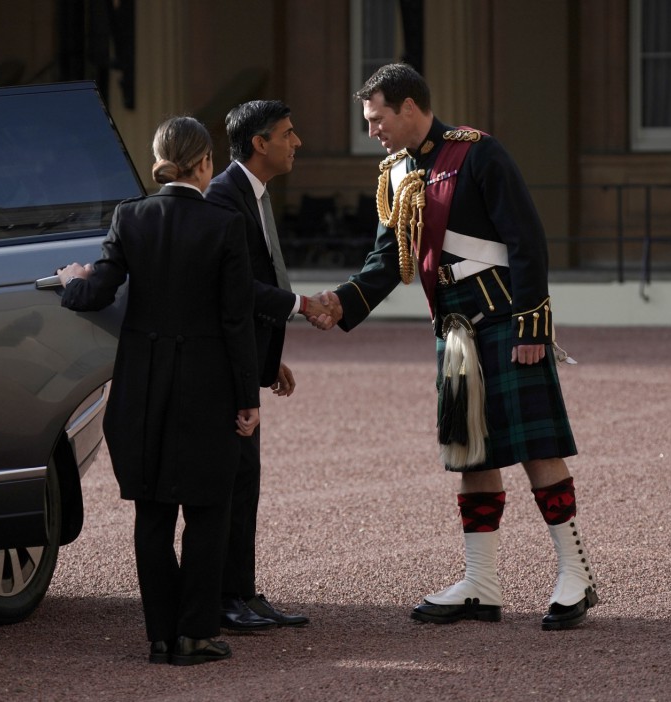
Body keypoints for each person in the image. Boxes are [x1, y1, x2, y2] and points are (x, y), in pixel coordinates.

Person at [320, 63, 597, 630]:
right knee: (471, 453)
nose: (372, 131)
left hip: (502, 318)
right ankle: (481, 583)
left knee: (536, 446)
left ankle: (576, 572)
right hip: (453, 331)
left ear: (409, 108)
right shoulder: (396, 173)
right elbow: (386, 262)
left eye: (377, 119)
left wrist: (531, 327)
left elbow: (527, 241)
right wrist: (342, 302)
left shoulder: (478, 154)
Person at [56, 116, 261, 665]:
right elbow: (236, 322)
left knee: (152, 516)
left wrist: (74, 281)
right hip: (207, 386)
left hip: (142, 388)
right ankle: (194, 633)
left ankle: (161, 635)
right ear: (204, 166)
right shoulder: (224, 225)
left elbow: (96, 291)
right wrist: (249, 398)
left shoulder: (131, 217)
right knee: (208, 512)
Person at [205, 100, 331, 630]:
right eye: (287, 133)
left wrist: (269, 359)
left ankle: (242, 591)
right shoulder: (224, 197)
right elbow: (234, 289)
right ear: (260, 143)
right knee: (228, 483)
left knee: (245, 480)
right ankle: (222, 598)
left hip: (245, 363)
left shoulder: (251, 193)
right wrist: (302, 306)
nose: (296, 142)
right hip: (218, 372)